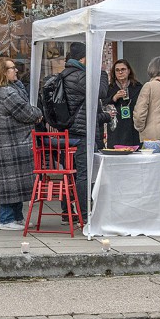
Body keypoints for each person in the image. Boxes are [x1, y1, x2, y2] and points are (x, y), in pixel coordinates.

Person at [0, 58, 43, 231]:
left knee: (15, 183)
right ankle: (6, 219)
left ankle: (17, 217)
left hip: (8, 143)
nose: (16, 71)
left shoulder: (0, 91)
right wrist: (37, 113)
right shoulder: (7, 93)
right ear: (4, 72)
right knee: (11, 183)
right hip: (11, 144)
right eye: (12, 68)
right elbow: (26, 112)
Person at [59, 42, 109, 224]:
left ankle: (70, 212)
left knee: (72, 173)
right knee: (84, 174)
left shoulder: (65, 74)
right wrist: (102, 72)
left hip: (69, 131)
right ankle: (85, 215)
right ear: (84, 58)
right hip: (80, 133)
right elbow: (102, 92)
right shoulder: (80, 76)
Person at [101, 59, 142, 148]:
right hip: (116, 129)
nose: (120, 72)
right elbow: (102, 104)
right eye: (117, 70)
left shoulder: (138, 87)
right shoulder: (109, 88)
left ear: (129, 71)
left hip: (133, 127)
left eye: (123, 69)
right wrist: (114, 97)